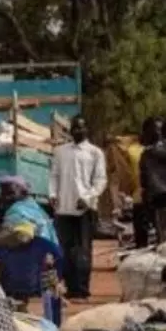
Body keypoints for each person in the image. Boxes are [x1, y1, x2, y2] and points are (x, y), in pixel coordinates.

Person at [49, 114, 107, 301]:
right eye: (74, 128)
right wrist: (52, 195)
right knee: (65, 250)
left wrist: (88, 197)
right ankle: (70, 287)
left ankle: (82, 290)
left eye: (81, 127)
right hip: (63, 208)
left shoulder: (95, 153)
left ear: (87, 129)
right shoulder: (60, 151)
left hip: (85, 209)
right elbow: (54, 176)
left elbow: (100, 180)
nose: (77, 131)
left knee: (82, 251)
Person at [0, 175, 62, 306]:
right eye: (3, 191)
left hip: (30, 271)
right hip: (50, 268)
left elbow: (23, 236)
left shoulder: (16, 211)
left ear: (21, 192)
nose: (4, 196)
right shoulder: (37, 209)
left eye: (8, 192)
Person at [126, 122, 154, 248]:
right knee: (141, 236)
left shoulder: (160, 150)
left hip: (157, 198)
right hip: (139, 197)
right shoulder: (132, 150)